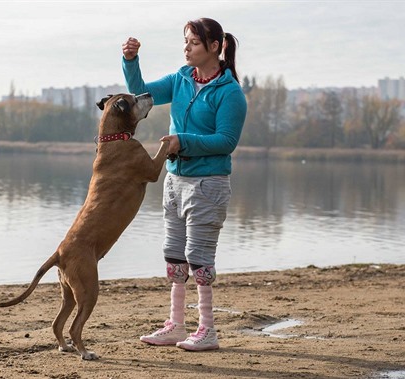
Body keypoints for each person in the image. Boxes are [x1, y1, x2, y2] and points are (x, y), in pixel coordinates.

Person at [121, 17, 247, 351]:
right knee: (175, 255)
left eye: (193, 42)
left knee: (198, 256)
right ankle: (176, 326)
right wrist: (130, 61)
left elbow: (226, 141)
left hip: (209, 183)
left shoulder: (231, 93)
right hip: (175, 180)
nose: (186, 47)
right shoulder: (180, 78)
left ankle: (207, 330)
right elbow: (141, 94)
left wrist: (183, 141)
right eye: (185, 41)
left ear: (215, 47)